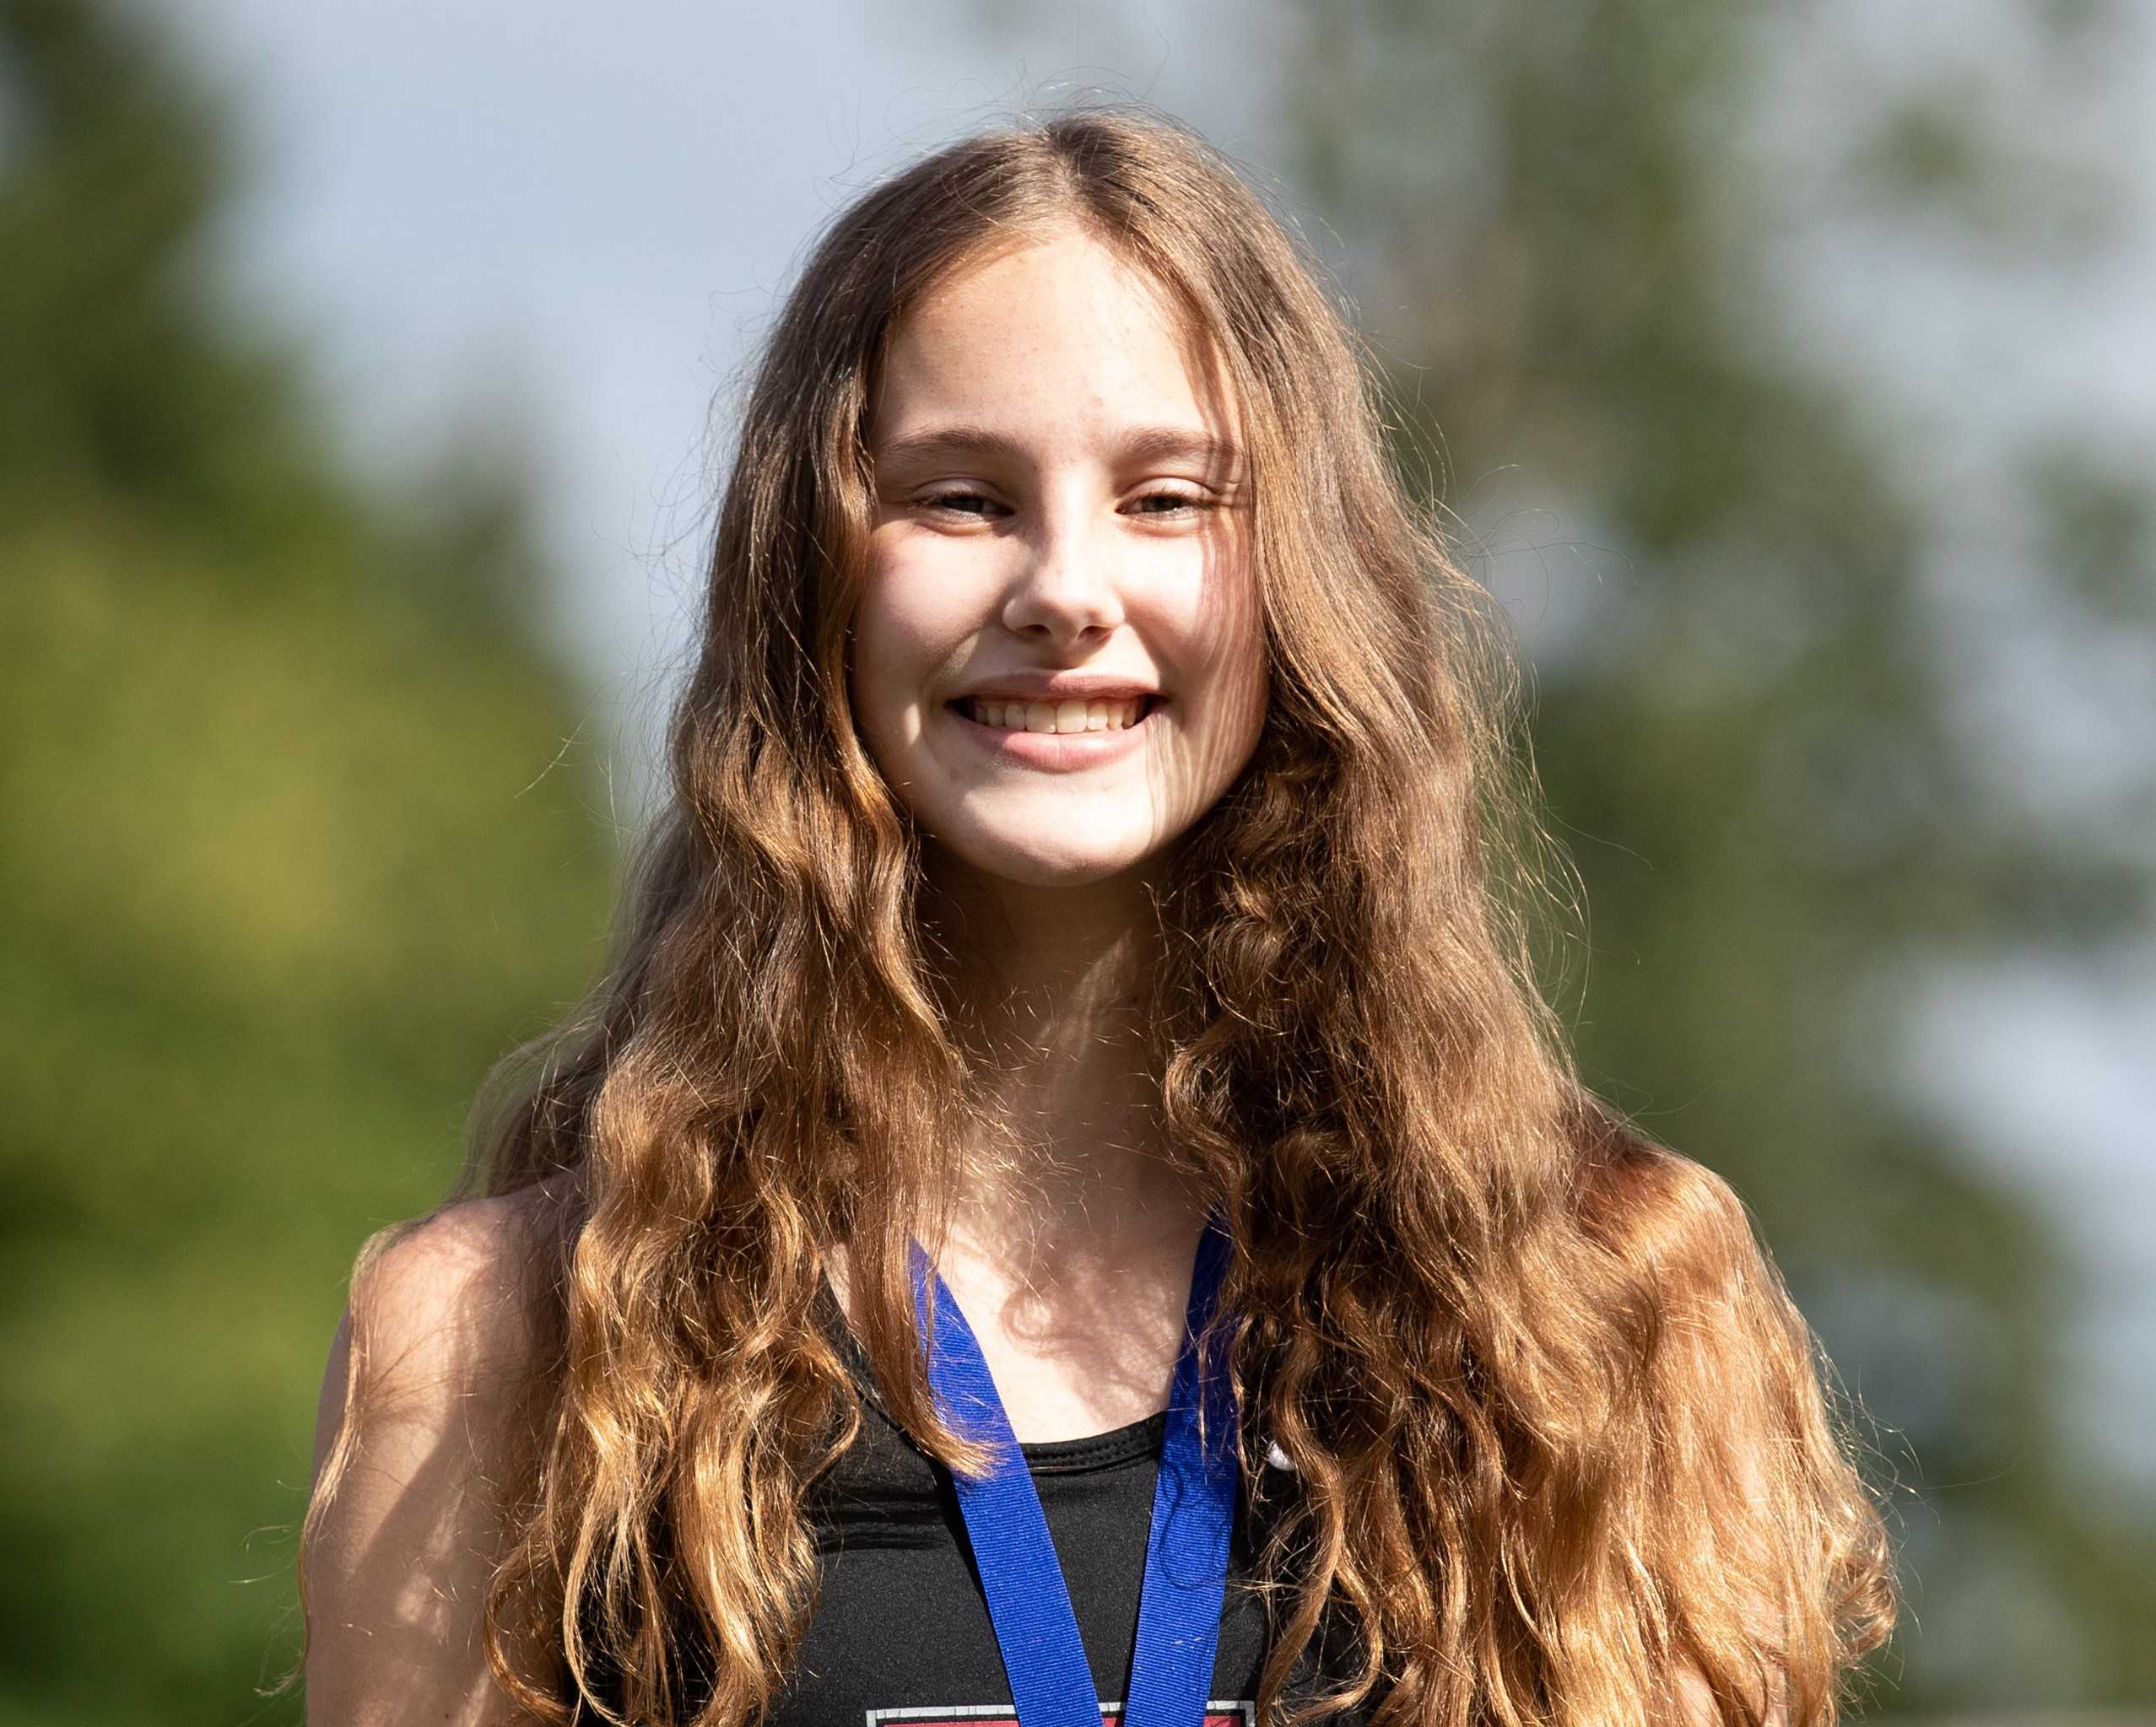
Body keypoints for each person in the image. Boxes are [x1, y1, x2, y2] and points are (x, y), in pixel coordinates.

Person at [294, 106, 1897, 1727]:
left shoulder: (1603, 1312)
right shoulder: (525, 1345)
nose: (1066, 587)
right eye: (963, 497)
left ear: (1303, 583)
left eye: (1168, 499)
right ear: (814, 584)